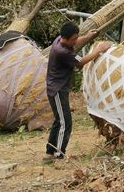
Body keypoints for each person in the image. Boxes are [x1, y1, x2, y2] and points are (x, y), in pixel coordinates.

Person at [46, 22, 111, 161]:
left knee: (59, 121)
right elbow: (81, 61)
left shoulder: (60, 39)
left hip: (57, 87)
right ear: (68, 39)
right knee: (65, 122)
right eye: (75, 38)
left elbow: (77, 41)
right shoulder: (62, 52)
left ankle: (50, 152)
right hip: (57, 89)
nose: (76, 40)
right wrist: (99, 49)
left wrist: (88, 36)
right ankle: (58, 154)